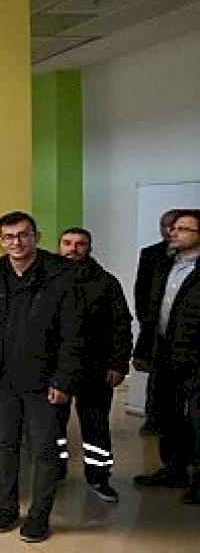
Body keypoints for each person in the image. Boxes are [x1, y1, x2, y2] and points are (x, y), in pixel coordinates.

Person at [0, 211, 88, 543]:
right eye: (9, 237)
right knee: (4, 445)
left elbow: (74, 334)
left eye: (23, 235)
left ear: (36, 237)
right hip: (2, 378)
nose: (16, 242)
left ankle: (39, 514)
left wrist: (64, 379)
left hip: (45, 381)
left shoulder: (61, 275)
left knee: (44, 450)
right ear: (1, 240)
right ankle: (8, 506)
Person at [54, 227, 132, 503]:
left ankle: (99, 477)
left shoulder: (106, 282)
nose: (73, 248)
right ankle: (55, 470)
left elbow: (121, 325)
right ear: (59, 246)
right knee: (53, 425)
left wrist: (119, 363)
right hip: (56, 369)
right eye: (67, 243)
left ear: (89, 247)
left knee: (95, 426)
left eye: (80, 244)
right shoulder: (46, 279)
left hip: (96, 368)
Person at [133, 209, 200, 504]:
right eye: (173, 228)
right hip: (165, 353)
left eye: (183, 229)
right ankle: (173, 469)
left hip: (195, 358)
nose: (173, 233)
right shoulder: (164, 264)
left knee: (197, 419)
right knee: (168, 415)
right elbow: (151, 310)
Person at [136, 209, 182, 435]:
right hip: (157, 327)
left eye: (175, 226)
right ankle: (153, 419)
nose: (169, 231)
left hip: (184, 330)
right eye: (165, 225)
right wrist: (146, 322)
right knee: (157, 378)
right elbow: (142, 290)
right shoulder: (151, 254)